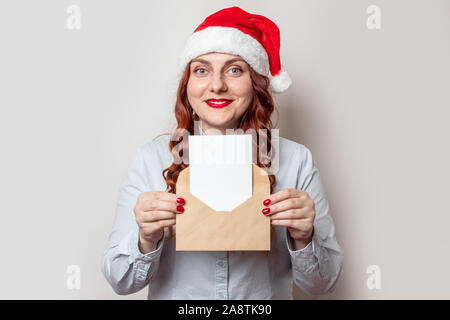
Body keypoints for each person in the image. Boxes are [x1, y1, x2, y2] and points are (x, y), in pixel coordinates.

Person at [101, 6, 344, 299]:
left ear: (256, 85)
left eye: (234, 69)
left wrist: (305, 238)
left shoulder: (296, 161)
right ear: (187, 86)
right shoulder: (151, 160)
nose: (217, 85)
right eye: (201, 70)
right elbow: (120, 282)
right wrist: (145, 239)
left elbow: (323, 286)